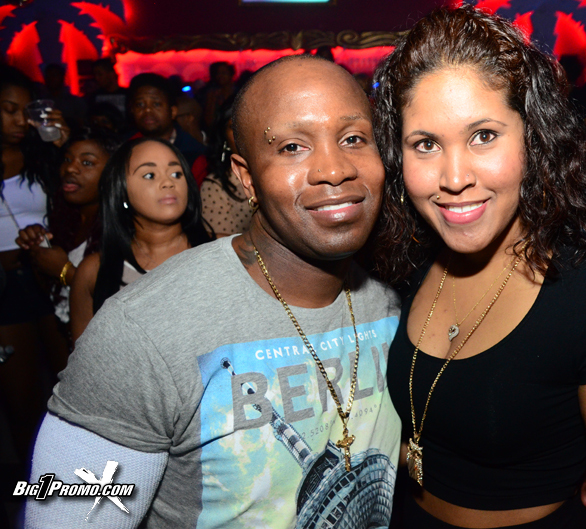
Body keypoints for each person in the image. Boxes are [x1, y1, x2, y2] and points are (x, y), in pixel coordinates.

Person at [27, 56, 401, 528]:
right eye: (292, 147)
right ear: (246, 178)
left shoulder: (399, 299)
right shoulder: (143, 332)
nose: (334, 169)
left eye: (353, 139)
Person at [373, 6, 586, 528]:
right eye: (426, 144)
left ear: (533, 139)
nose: (454, 177)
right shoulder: (407, 269)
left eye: (483, 136)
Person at [68, 137, 211, 341]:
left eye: (176, 174)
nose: (168, 182)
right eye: (149, 175)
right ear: (122, 191)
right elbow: (87, 358)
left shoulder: (226, 251)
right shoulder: (93, 272)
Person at [0, 65, 71, 469]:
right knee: (21, 398)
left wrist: (63, 146)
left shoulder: (41, 156)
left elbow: (79, 200)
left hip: (48, 278)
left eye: (25, 111)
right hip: (5, 288)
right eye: (9, 110)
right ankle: (33, 483)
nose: (19, 121)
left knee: (71, 384)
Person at [15, 128, 121, 331]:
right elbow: (53, 292)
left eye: (87, 162)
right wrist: (39, 251)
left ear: (113, 172)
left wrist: (65, 271)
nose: (70, 168)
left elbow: (122, 297)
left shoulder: (125, 227)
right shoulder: (66, 220)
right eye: (66, 159)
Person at [128, 73, 205, 166]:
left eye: (156, 104)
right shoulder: (125, 148)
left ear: (173, 111)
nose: (147, 110)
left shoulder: (194, 154)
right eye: (140, 104)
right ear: (132, 110)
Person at [200, 97, 251, 236]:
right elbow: (220, 243)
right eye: (233, 127)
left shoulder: (281, 172)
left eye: (248, 123)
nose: (242, 133)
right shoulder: (215, 185)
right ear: (224, 138)